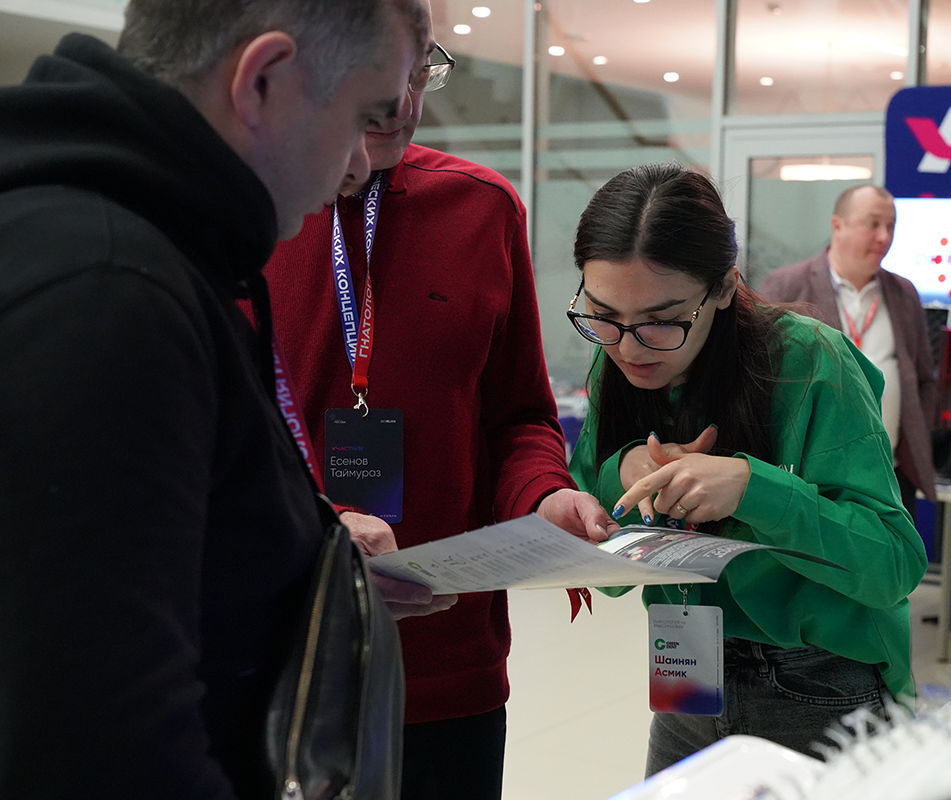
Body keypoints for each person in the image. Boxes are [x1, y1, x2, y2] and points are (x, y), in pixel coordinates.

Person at [0, 0, 430, 796]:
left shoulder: (119, 243)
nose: (356, 166)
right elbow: (104, 753)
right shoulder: (107, 293)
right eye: (361, 119)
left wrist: (293, 556)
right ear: (262, 81)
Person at [261, 24, 617, 799]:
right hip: (284, 648)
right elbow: (217, 442)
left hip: (451, 666)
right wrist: (324, 528)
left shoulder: (482, 209)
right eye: (384, 72)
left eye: (423, 69)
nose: (404, 100)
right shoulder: (250, 215)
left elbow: (519, 416)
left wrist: (543, 496)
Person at [567, 164, 928, 773]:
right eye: (602, 314)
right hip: (688, 675)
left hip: (819, 687)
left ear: (725, 288)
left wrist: (754, 489)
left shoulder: (810, 362)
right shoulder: (619, 362)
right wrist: (620, 473)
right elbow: (606, 574)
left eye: (662, 319)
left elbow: (893, 566)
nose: (628, 346)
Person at [759, 184, 939, 516]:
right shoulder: (787, 286)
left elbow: (924, 378)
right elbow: (761, 381)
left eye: (891, 226)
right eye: (873, 224)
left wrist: (916, 433)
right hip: (816, 480)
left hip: (891, 473)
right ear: (837, 225)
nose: (884, 236)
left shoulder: (903, 293)